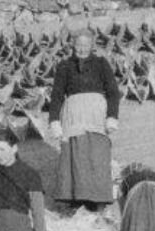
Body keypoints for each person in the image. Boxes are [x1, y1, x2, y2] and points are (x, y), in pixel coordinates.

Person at [45, 31, 123, 211]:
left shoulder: (101, 64)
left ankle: (98, 200)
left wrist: (112, 117)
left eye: (85, 45)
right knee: (76, 155)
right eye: (78, 45)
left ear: (92, 46)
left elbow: (113, 92)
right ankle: (75, 199)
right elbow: (56, 95)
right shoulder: (64, 66)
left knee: (97, 154)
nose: (81, 49)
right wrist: (54, 121)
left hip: (96, 115)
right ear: (73, 46)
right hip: (73, 115)